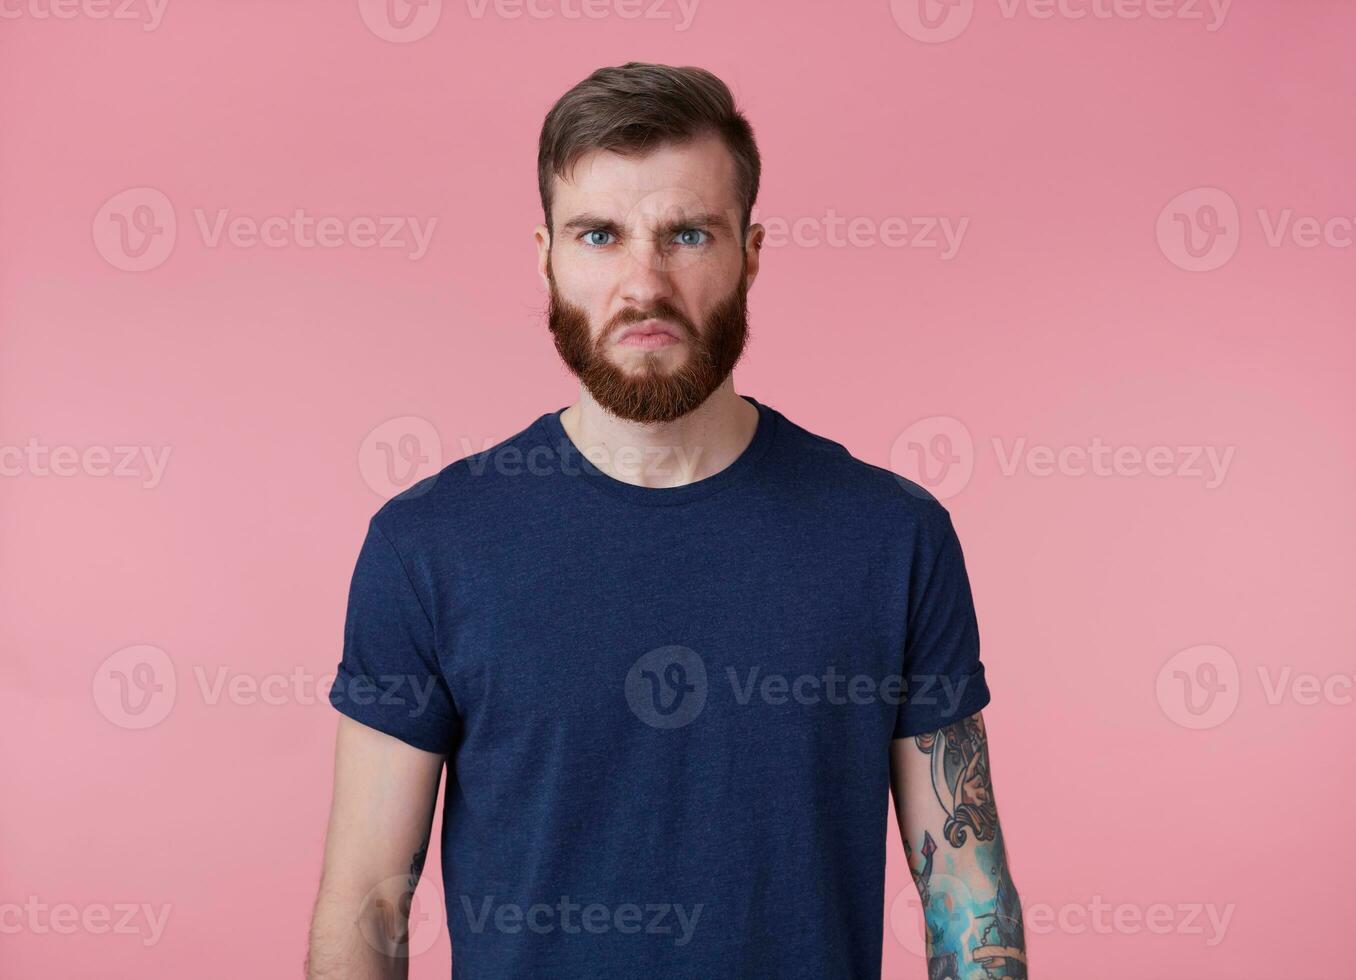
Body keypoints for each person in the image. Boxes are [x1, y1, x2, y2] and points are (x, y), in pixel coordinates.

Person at [306, 61, 1026, 980]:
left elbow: (965, 892)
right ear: (546, 257)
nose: (643, 284)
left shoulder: (891, 536)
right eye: (599, 235)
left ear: (750, 254)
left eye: (687, 233)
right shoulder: (429, 546)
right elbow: (367, 897)